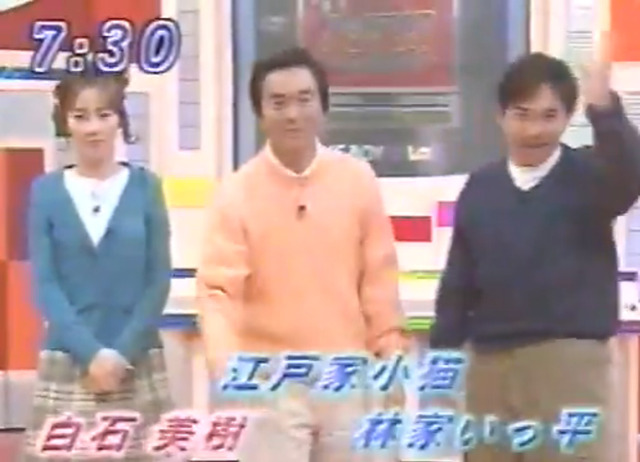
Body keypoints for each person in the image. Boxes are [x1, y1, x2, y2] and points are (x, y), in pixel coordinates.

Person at [429, 40, 640, 461]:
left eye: (548, 116)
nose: (534, 130)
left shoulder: (589, 176)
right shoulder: (481, 187)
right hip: (490, 366)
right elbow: (458, 284)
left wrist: (605, 110)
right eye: (521, 115)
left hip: (569, 364)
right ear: (500, 116)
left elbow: (630, 175)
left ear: (567, 117)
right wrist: (442, 361)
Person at [196, 47, 408, 462]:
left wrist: (392, 356)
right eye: (278, 103)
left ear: (322, 107)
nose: (292, 114)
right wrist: (226, 368)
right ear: (260, 113)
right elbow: (219, 292)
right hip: (268, 379)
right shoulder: (236, 192)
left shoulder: (357, 179)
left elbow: (379, 279)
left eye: (304, 99)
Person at [22, 69, 173, 461]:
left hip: (136, 357)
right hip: (69, 357)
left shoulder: (146, 187)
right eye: (80, 115)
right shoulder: (45, 192)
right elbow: (45, 284)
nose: (93, 127)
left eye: (104, 114)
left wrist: (120, 353)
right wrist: (91, 353)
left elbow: (158, 279)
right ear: (65, 122)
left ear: (120, 119)